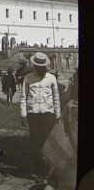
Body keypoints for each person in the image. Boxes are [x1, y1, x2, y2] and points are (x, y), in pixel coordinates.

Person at [20, 52, 61, 183]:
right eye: (39, 66)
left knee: (48, 144)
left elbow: (56, 97)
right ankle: (40, 172)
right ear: (35, 66)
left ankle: (50, 171)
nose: (42, 69)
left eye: (44, 66)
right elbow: (23, 97)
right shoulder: (28, 78)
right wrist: (23, 114)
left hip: (48, 115)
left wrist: (58, 114)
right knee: (36, 144)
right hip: (34, 115)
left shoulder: (51, 78)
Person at [41, 68, 78, 190]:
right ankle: (63, 188)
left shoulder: (74, 81)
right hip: (75, 113)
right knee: (74, 153)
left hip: (72, 110)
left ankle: (52, 187)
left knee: (67, 149)